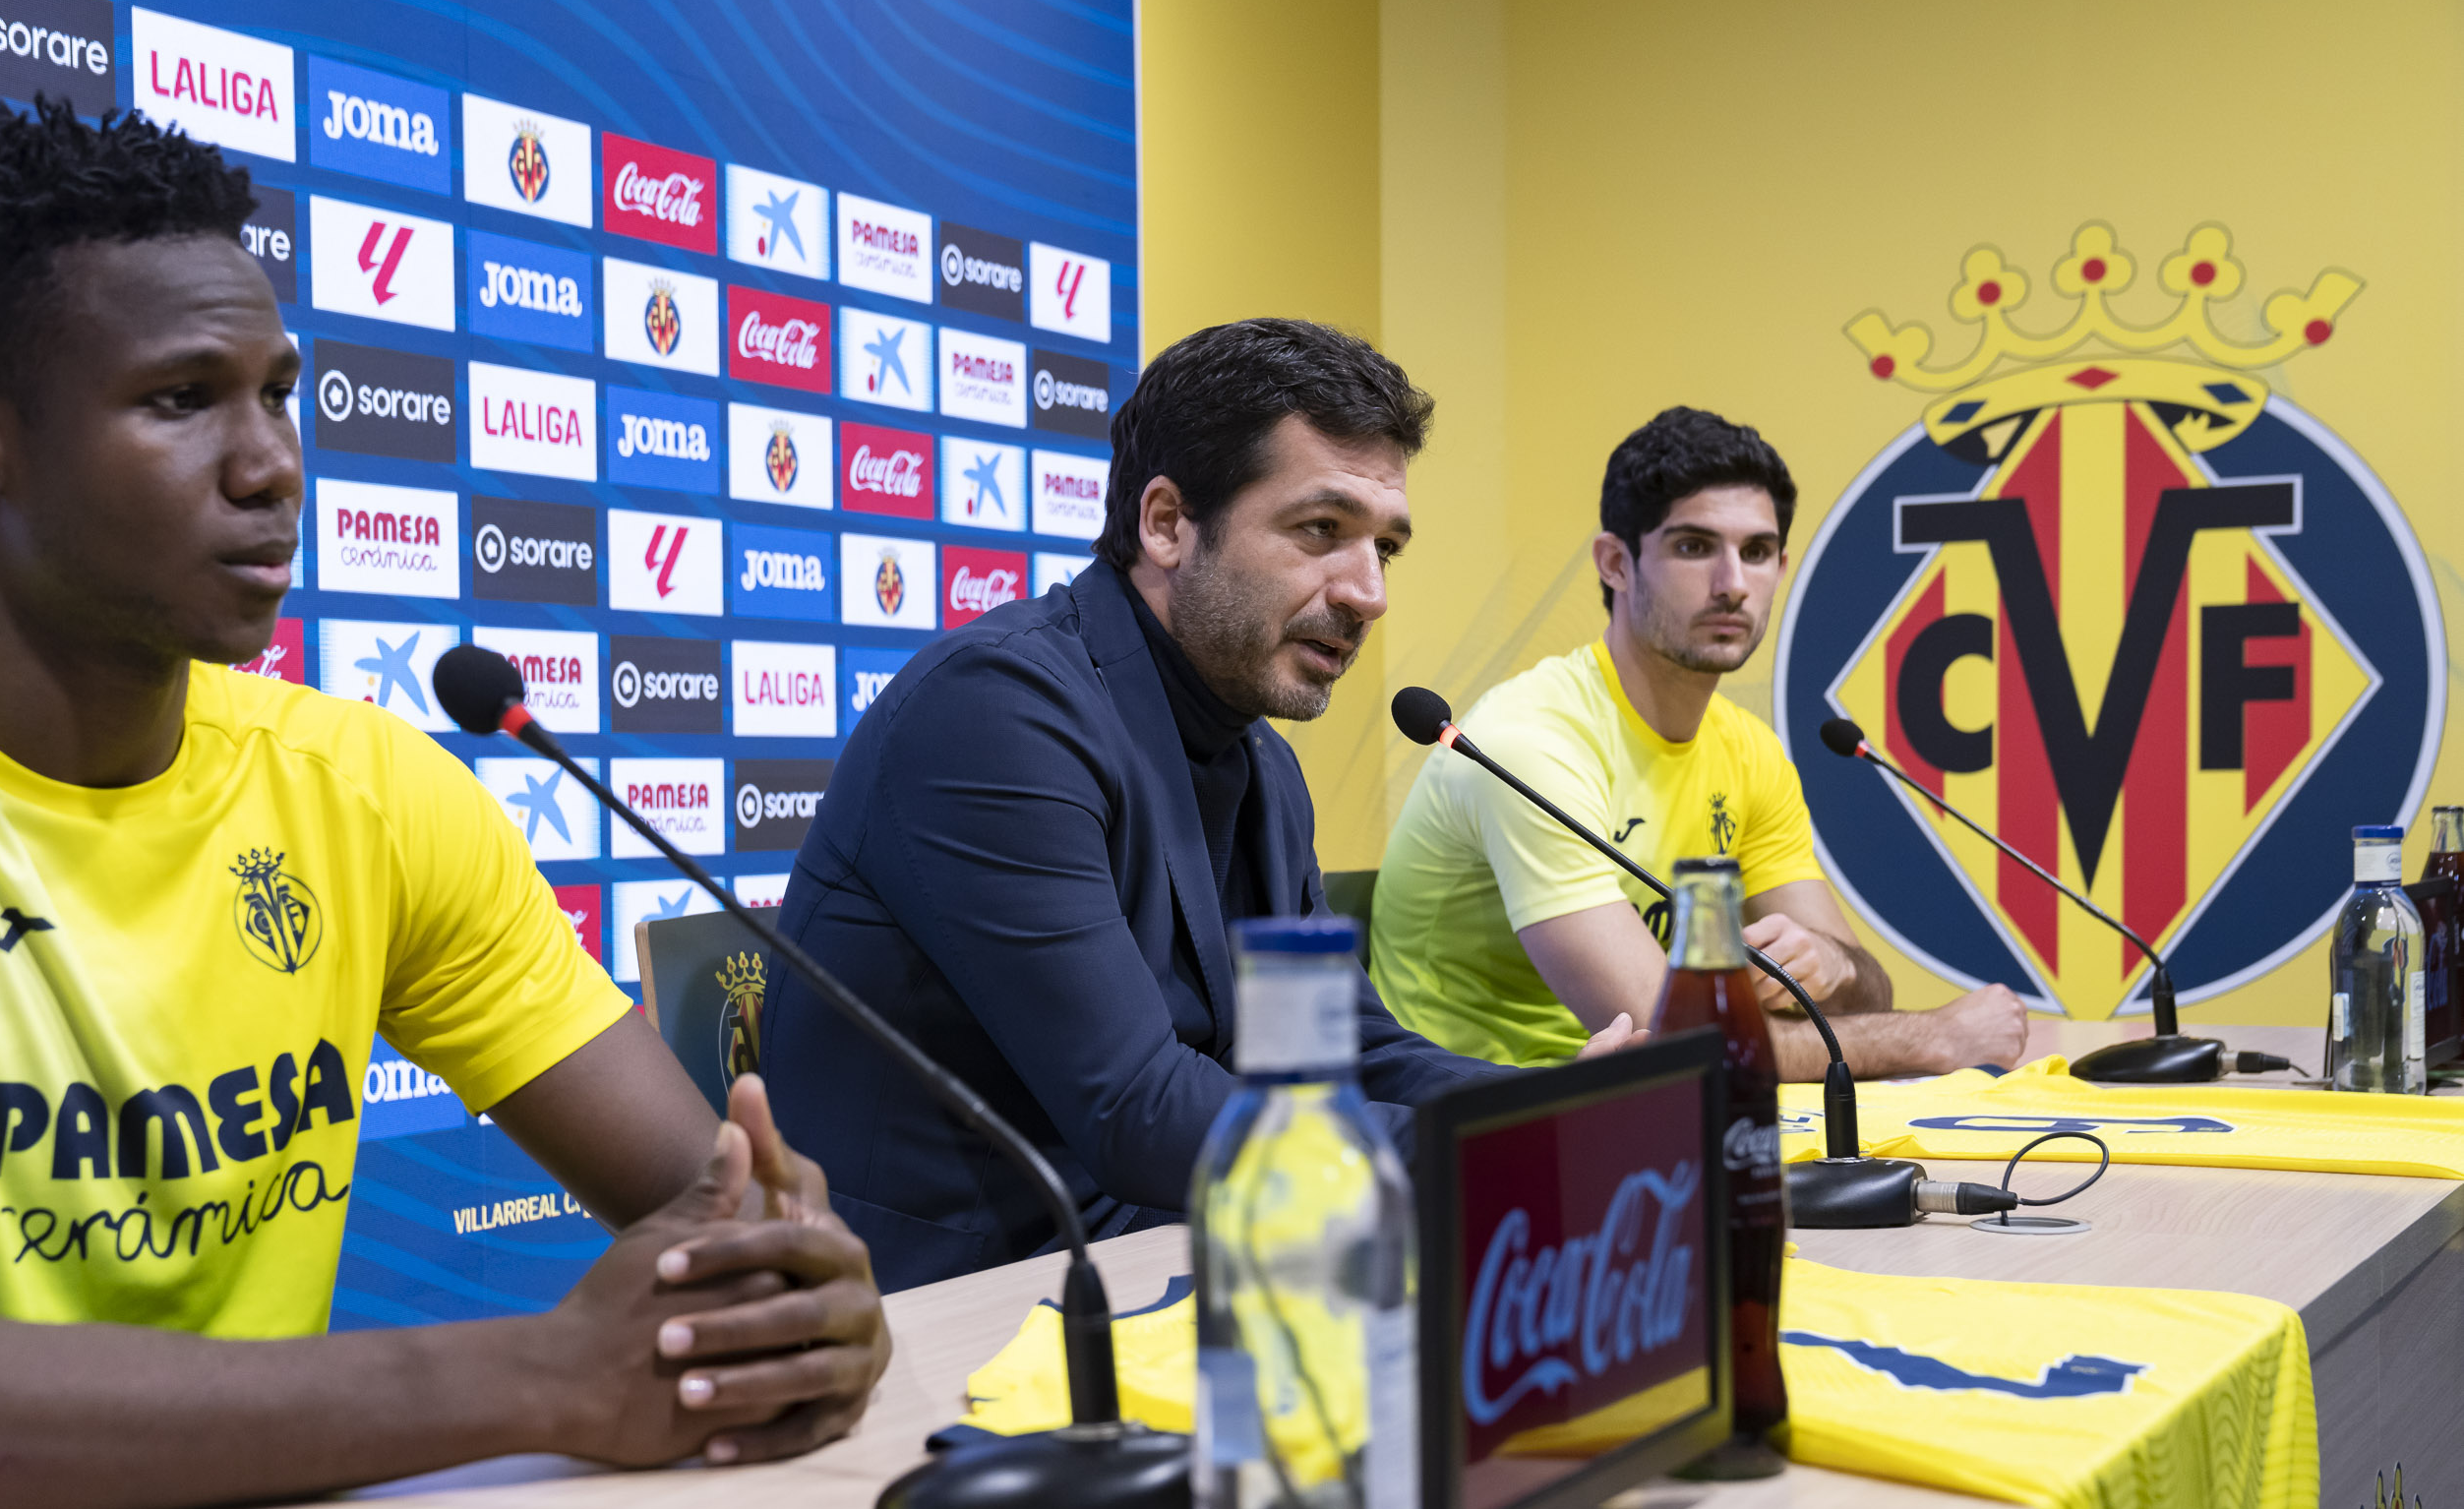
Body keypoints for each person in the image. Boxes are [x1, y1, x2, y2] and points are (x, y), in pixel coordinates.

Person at [0, 104, 884, 1509]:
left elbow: (711, 1206)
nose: (270, 465)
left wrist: (782, 1281)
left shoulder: (367, 791)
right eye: (182, 400)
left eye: (277, 392)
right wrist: (532, 1375)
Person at [763, 320, 1614, 1291]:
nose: (1369, 593)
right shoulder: (994, 713)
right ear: (1166, 523)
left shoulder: (1260, 762)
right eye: (1321, 531)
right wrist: (1494, 1156)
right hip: (951, 1304)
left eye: (1386, 547)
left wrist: (1550, 1112)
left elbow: (1352, 1049)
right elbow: (1137, 1107)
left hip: (1161, 1253)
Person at [1371, 405, 2027, 1080]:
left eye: (1756, 552)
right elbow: (1681, 1042)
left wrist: (1831, 964)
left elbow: (1864, 995)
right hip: (1484, 1121)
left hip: (1662, 1113)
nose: (1732, 585)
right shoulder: (1528, 743)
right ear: (1614, 564)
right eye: (1693, 547)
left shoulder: (1749, 751)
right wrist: (1930, 1039)